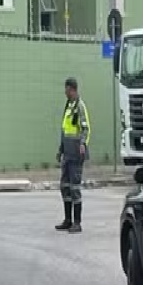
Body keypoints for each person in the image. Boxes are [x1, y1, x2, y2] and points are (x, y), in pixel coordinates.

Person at [56, 76, 91, 234]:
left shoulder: (79, 106)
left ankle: (77, 223)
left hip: (76, 153)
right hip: (67, 153)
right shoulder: (68, 106)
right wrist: (60, 150)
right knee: (65, 186)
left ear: (72, 89)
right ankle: (67, 220)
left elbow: (85, 128)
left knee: (75, 188)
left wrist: (83, 144)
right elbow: (65, 131)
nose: (65, 92)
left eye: (66, 89)